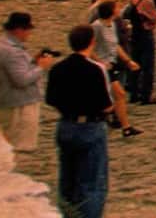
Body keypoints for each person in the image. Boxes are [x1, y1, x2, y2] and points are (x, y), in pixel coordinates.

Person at [48, 25, 113, 218]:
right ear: (92, 42)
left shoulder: (57, 68)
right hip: (90, 127)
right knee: (92, 182)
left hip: (66, 125)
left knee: (67, 177)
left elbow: (51, 99)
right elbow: (106, 105)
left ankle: (67, 212)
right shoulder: (96, 70)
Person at [0, 12, 57, 151]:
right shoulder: (12, 51)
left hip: (7, 102)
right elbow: (22, 80)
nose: (29, 33)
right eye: (28, 30)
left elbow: (16, 70)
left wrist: (33, 61)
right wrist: (41, 67)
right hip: (18, 107)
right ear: (19, 30)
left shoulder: (3, 44)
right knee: (19, 148)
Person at [90, 2, 143, 137]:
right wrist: (100, 62)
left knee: (118, 95)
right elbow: (89, 48)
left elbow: (116, 46)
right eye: (117, 8)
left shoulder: (112, 24)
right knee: (116, 95)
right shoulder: (97, 26)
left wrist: (128, 60)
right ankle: (111, 120)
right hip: (100, 67)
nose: (119, 9)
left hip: (111, 65)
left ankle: (125, 126)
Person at [122, 0, 156, 105]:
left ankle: (134, 93)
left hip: (134, 34)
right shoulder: (145, 1)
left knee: (135, 63)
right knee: (148, 66)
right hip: (145, 34)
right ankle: (146, 95)